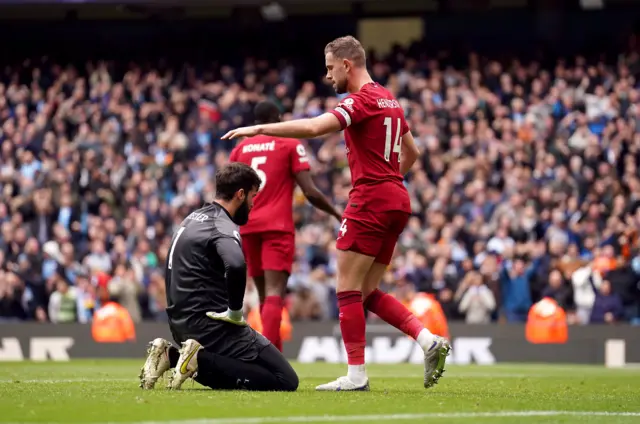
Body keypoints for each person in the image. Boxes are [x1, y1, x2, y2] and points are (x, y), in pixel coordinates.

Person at [222, 35, 450, 392]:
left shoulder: (361, 101)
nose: (328, 76)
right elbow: (413, 152)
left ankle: (356, 374)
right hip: (396, 199)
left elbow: (314, 128)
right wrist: (389, 180)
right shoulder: (390, 99)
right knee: (367, 291)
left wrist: (259, 128)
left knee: (345, 289)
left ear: (347, 64)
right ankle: (427, 341)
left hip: (371, 199)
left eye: (330, 68)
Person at [138, 163, 299, 392]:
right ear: (240, 194)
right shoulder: (222, 225)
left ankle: (172, 356)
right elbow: (235, 264)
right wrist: (234, 313)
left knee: (242, 366)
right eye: (253, 197)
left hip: (180, 323)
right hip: (213, 326)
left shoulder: (191, 219)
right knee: (286, 379)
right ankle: (196, 360)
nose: (253, 204)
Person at [229, 100, 341, 352]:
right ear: (279, 119)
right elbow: (310, 191)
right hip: (276, 228)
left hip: (247, 227)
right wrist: (336, 213)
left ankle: (273, 358)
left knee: (263, 296)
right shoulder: (290, 143)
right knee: (275, 293)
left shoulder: (240, 150)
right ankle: (268, 358)